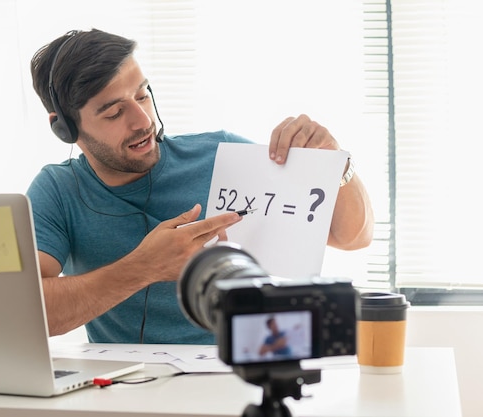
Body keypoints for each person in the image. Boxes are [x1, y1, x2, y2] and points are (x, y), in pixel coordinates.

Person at [27, 28, 374, 344]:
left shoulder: (222, 154)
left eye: (143, 94)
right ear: (65, 129)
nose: (143, 120)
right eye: (115, 113)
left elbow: (353, 237)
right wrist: (143, 267)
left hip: (241, 377)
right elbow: (26, 310)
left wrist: (337, 164)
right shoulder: (57, 190)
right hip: (127, 395)